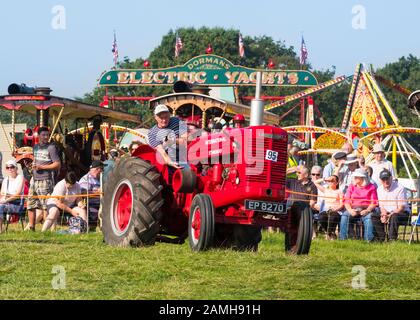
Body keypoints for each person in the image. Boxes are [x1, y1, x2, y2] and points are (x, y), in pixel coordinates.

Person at [26, 127, 61, 231]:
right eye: (43, 135)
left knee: (45, 206)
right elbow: (36, 161)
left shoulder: (51, 147)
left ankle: (46, 230)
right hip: (34, 178)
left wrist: (42, 167)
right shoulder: (35, 147)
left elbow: (57, 164)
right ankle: (32, 227)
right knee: (30, 204)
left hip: (46, 179)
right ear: (39, 135)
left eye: (47, 135)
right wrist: (30, 165)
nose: (46, 137)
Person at [340, 168, 378, 241]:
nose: (355, 178)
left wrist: (367, 210)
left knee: (369, 218)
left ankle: (368, 240)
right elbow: (346, 201)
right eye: (355, 176)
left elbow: (374, 202)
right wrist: (350, 210)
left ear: (362, 178)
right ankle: (343, 239)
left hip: (366, 209)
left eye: (357, 177)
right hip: (353, 208)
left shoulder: (371, 187)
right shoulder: (351, 186)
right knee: (345, 216)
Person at [286, 166, 318, 252]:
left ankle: (299, 248)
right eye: (297, 173)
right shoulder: (292, 182)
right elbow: (282, 176)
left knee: (300, 232)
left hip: (304, 212)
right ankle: (289, 248)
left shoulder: (312, 186)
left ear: (306, 175)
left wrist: (304, 208)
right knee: (290, 229)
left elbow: (312, 202)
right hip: (291, 209)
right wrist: (293, 170)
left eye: (299, 173)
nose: (297, 174)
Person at [372, 169, 409, 241]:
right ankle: (381, 238)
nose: (385, 181)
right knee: (374, 215)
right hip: (387, 212)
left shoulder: (400, 188)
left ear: (391, 178)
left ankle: (392, 239)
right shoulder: (379, 189)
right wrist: (384, 214)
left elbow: (401, 208)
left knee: (394, 216)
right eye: (383, 179)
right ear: (380, 180)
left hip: (401, 213)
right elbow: (381, 206)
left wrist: (389, 215)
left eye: (387, 178)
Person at [148, 104, 188, 169]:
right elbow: (161, 151)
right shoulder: (152, 133)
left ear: (169, 115)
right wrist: (169, 161)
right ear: (155, 117)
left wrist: (173, 140)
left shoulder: (177, 121)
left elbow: (186, 140)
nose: (164, 120)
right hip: (166, 160)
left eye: (166, 117)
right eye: (161, 118)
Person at [313, 175, 344, 240]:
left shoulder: (339, 192)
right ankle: (329, 233)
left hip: (336, 211)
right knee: (321, 217)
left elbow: (341, 204)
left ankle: (330, 234)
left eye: (332, 181)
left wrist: (335, 209)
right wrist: (325, 178)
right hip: (326, 210)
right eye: (329, 181)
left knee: (332, 217)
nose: (330, 182)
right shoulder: (325, 190)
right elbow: (315, 182)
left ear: (337, 182)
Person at [78, 160, 106, 228]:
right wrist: (98, 192)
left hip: (102, 202)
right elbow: (84, 193)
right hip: (91, 204)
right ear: (97, 169)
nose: (103, 171)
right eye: (102, 169)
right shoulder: (86, 179)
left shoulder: (100, 178)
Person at [0, 159, 24, 233]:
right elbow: (2, 193)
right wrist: (4, 199)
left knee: (0, 206)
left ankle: (0, 230)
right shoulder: (5, 179)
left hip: (17, 204)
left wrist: (6, 199)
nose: (10, 169)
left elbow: (17, 194)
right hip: (5, 202)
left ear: (16, 168)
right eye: (8, 167)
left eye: (12, 167)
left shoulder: (20, 178)